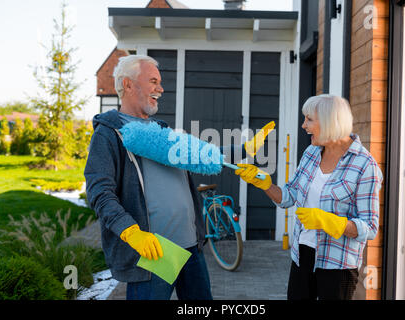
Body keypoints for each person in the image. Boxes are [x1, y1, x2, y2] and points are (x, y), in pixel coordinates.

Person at [84, 54, 273, 300]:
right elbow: (99, 192)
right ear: (128, 84)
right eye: (153, 81)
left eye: (160, 82)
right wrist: (130, 232)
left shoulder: (160, 130)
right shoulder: (110, 134)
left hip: (191, 246)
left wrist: (244, 151)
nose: (160, 89)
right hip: (154, 252)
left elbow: (198, 155)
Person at [235, 94, 383, 300]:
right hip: (302, 255)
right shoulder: (312, 153)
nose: (304, 125)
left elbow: (370, 228)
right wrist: (265, 183)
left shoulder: (365, 166)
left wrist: (331, 222)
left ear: (330, 121)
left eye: (309, 119)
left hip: (337, 265)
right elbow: (288, 196)